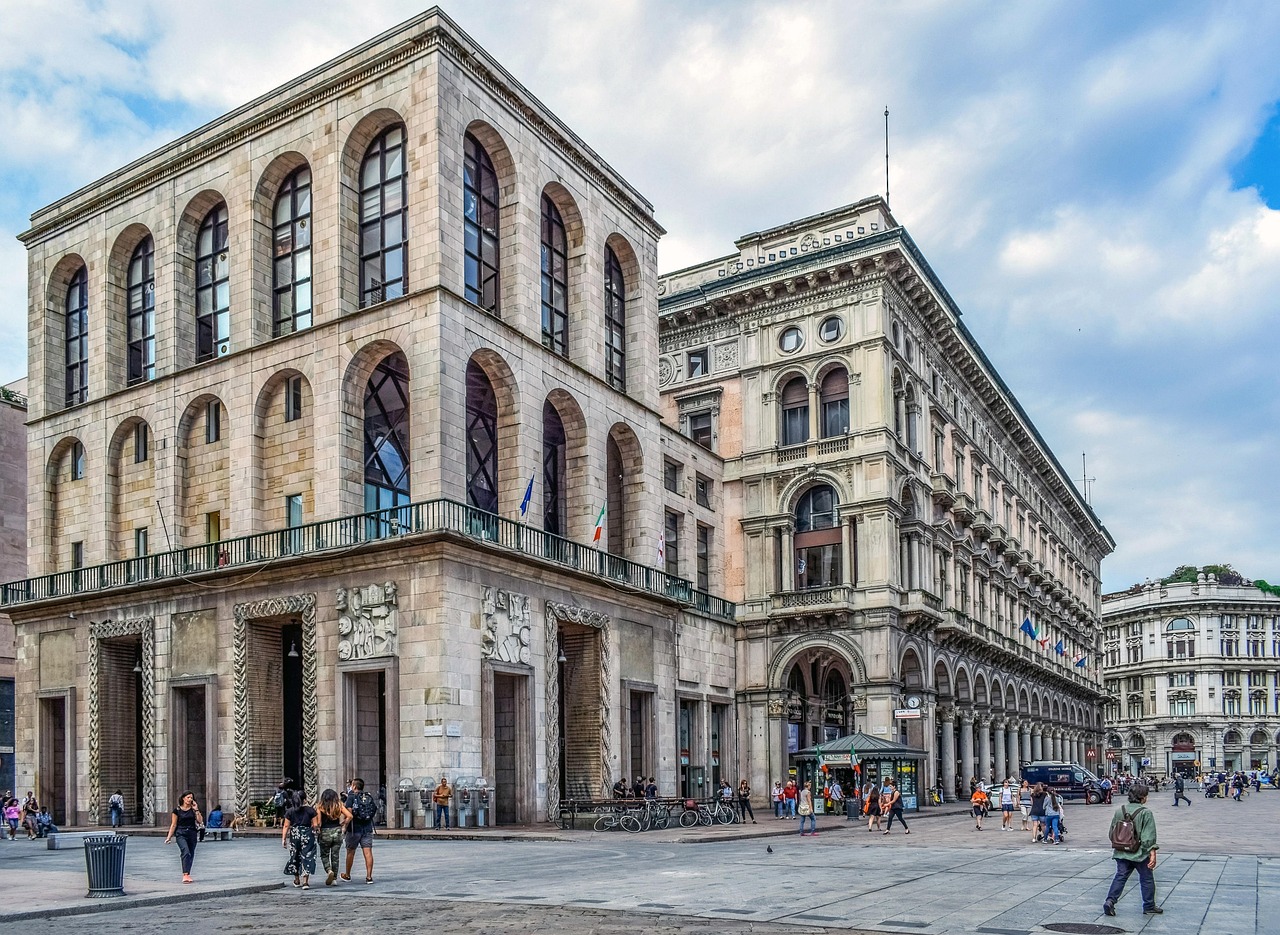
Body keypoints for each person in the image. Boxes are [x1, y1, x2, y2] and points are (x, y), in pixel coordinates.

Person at [1103, 782, 1162, 917]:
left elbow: (1112, 833)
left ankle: (1110, 901)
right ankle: (1149, 905)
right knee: (1146, 879)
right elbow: (1148, 837)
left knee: (1120, 877)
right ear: (1142, 797)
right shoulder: (1146, 813)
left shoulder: (1120, 810)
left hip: (1121, 852)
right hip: (1140, 853)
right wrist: (1152, 852)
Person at [281, 790, 320, 889]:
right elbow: (315, 825)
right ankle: (305, 882)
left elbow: (286, 826)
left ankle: (297, 879)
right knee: (307, 856)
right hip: (307, 834)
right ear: (305, 799)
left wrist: (284, 839)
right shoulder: (310, 810)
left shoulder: (290, 811)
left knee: (295, 855)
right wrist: (316, 830)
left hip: (295, 835)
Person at [342, 777, 377, 884]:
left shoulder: (351, 797)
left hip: (354, 829)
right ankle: (369, 877)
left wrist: (344, 826)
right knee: (368, 852)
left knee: (350, 852)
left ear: (354, 786)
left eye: (351, 785)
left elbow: (349, 813)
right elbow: (374, 809)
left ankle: (347, 875)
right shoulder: (368, 796)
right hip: (367, 828)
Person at [164, 791, 204, 884]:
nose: (190, 799)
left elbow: (200, 821)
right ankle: (185, 874)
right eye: (188, 797)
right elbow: (173, 824)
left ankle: (188, 873)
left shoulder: (193, 810)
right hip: (181, 833)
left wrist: (196, 810)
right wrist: (169, 837)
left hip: (192, 833)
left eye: (191, 798)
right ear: (183, 798)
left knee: (191, 853)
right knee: (185, 851)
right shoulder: (177, 810)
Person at [317, 788, 351, 886]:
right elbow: (350, 816)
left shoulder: (320, 806)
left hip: (325, 832)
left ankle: (329, 870)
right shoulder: (339, 805)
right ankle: (334, 878)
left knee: (324, 855)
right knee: (335, 856)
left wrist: (317, 829)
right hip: (337, 831)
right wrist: (343, 823)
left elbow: (319, 823)